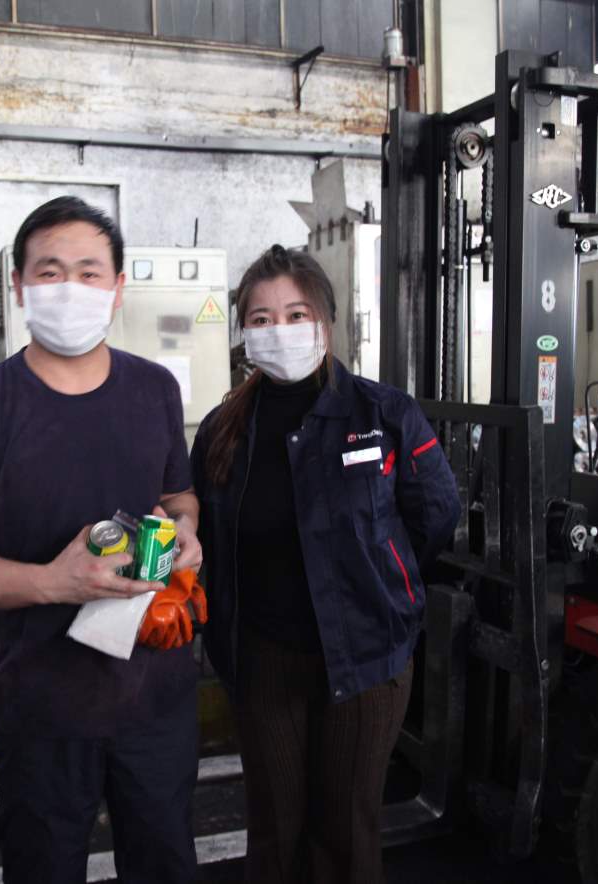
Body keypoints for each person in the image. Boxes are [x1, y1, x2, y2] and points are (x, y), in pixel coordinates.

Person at [0, 196, 203, 884]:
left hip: (155, 696)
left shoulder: (154, 390)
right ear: (19, 285)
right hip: (41, 701)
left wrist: (186, 532)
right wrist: (54, 582)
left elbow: (177, 498)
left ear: (117, 288)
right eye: (49, 271)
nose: (70, 287)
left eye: (89, 272)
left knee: (165, 863)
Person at [190, 245, 461, 884]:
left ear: (326, 323)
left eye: (296, 314)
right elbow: (206, 536)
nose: (278, 330)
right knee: (275, 828)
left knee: (344, 832)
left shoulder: (384, 414)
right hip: (263, 661)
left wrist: (387, 592)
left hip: (366, 658)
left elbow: (436, 515)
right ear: (244, 332)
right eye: (260, 318)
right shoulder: (223, 429)